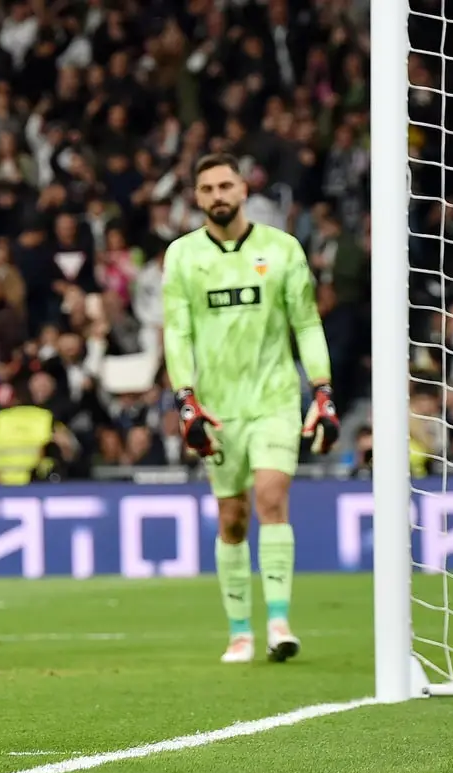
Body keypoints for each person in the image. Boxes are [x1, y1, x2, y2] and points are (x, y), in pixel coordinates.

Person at [161, 153, 339, 665]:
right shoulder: (182, 256)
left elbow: (306, 323)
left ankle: (279, 622)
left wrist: (321, 390)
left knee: (271, 495)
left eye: (225, 185)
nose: (217, 195)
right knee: (232, 517)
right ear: (197, 198)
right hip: (217, 408)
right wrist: (185, 399)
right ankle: (240, 630)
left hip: (275, 399)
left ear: (244, 189)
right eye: (207, 188)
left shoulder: (282, 250)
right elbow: (177, 331)